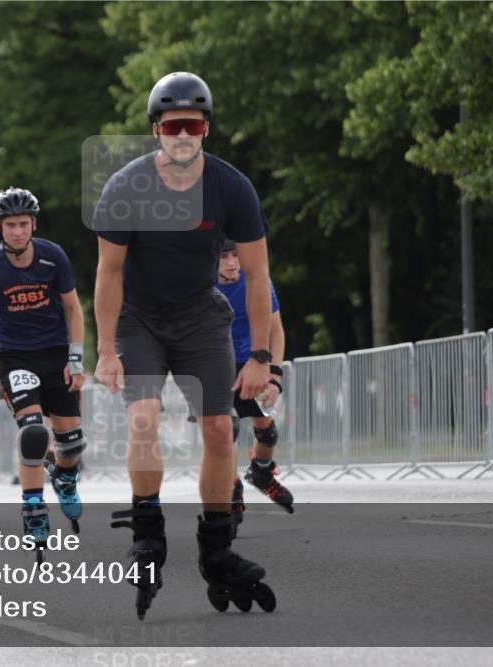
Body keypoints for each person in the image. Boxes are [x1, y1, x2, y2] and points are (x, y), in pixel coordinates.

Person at [94, 72, 276, 618]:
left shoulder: (231, 187)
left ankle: (216, 550)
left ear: (206, 130)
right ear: (156, 130)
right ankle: (148, 531)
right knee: (145, 416)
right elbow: (107, 274)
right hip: (139, 319)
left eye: (192, 125)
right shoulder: (125, 187)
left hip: (200, 316)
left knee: (221, 429)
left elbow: (258, 272)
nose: (183, 135)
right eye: (173, 125)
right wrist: (105, 349)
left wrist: (261, 355)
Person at [0, 187, 88, 558]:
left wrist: (75, 359)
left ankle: (63, 476)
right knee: (32, 432)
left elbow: (74, 309)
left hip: (56, 356)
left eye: (23, 224)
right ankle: (33, 506)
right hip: (15, 358)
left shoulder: (52, 257)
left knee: (72, 443)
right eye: (10, 225)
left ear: (34, 224)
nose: (17, 231)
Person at [217, 238, 294, 516]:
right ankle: (232, 487)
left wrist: (274, 376)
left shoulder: (256, 279)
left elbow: (277, 330)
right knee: (227, 431)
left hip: (254, 363)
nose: (231, 263)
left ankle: (261, 473)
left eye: (235, 255)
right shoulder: (201, 285)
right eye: (224, 257)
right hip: (216, 365)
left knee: (268, 432)